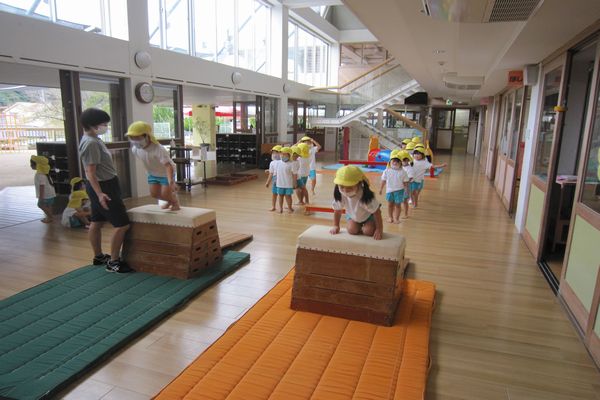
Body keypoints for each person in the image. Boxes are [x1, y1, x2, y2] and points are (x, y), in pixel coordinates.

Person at [78, 108, 132, 273]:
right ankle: (114, 262)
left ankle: (99, 256)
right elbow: (90, 172)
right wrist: (100, 194)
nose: (106, 126)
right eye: (104, 124)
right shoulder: (91, 143)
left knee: (97, 221)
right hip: (103, 187)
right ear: (93, 125)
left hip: (102, 185)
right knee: (122, 225)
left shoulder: (93, 139)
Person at [125, 121, 180, 211]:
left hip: (165, 173)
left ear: (147, 136)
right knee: (154, 194)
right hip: (153, 174)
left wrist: (171, 181)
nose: (135, 141)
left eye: (137, 138)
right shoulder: (135, 149)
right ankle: (169, 200)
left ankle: (175, 202)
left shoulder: (158, 148)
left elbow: (168, 166)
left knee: (165, 193)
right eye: (132, 138)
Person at [330, 165, 383, 240]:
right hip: (353, 216)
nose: (345, 190)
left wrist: (379, 229)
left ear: (359, 184)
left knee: (369, 231)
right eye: (342, 187)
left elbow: (377, 212)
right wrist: (336, 225)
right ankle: (359, 226)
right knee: (351, 230)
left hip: (368, 217)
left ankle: (367, 226)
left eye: (350, 187)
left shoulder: (365, 196)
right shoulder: (340, 194)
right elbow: (337, 210)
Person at [379, 152, 410, 223]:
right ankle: (390, 217)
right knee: (390, 205)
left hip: (399, 191)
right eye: (393, 161)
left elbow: (406, 182)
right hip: (389, 191)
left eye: (397, 161)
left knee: (398, 205)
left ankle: (396, 218)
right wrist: (381, 189)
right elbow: (383, 180)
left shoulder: (403, 172)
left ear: (400, 163)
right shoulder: (387, 171)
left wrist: (406, 191)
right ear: (390, 162)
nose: (395, 163)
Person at [30, 155, 56, 223]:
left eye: (32, 164)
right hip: (51, 193)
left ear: (38, 165)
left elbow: (42, 186)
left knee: (40, 205)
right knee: (49, 206)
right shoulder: (44, 173)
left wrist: (41, 197)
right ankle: (50, 218)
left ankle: (50, 217)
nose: (30, 166)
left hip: (45, 195)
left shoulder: (40, 175)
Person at [274, 147, 297, 213]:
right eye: (282, 154)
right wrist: (275, 180)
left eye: (285, 154)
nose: (283, 155)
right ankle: (280, 208)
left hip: (288, 184)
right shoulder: (278, 163)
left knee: (288, 196)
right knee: (280, 196)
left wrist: (294, 183)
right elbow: (276, 173)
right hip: (280, 183)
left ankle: (290, 208)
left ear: (289, 155)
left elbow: (294, 174)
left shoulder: (292, 164)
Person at [265, 145, 282, 211]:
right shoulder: (272, 163)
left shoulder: (283, 162)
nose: (274, 154)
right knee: (274, 193)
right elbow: (271, 173)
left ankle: (280, 207)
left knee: (281, 194)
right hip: (275, 180)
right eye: (273, 152)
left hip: (281, 180)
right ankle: (273, 206)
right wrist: (268, 182)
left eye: (276, 152)